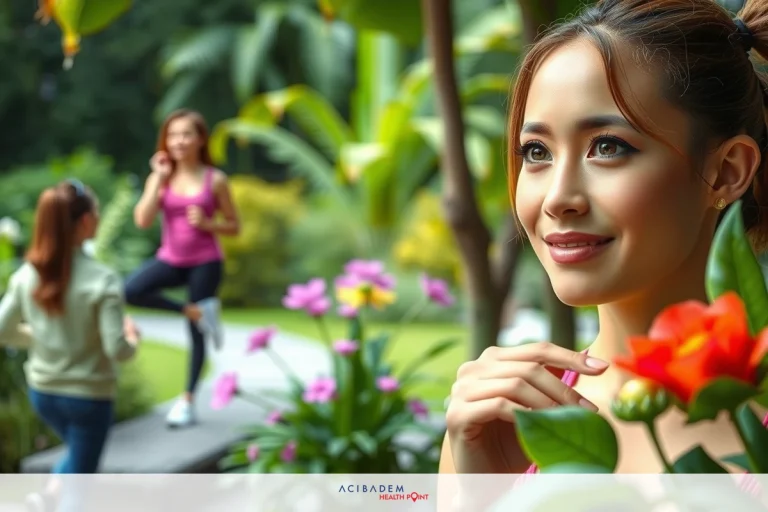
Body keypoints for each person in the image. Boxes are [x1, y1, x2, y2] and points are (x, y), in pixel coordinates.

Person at [441, 0, 768, 478]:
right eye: (537, 152)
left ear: (726, 171)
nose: (557, 198)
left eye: (607, 147)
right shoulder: (498, 420)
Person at [0, 180, 140, 477]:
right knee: (82, 481)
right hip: (88, 398)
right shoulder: (103, 280)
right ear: (87, 222)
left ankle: (48, 498)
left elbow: (2, 331)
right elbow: (117, 349)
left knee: (77, 457)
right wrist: (132, 338)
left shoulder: (26, 276)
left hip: (43, 394)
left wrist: (40, 337)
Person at [127, 108, 240, 429]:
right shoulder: (162, 178)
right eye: (173, 135)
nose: (178, 141)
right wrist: (158, 180)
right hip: (171, 258)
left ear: (200, 139)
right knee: (131, 290)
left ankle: (187, 401)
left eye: (186, 134)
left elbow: (234, 226)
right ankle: (191, 310)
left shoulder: (215, 180)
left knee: (196, 334)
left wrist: (208, 223)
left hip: (205, 262)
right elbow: (142, 220)